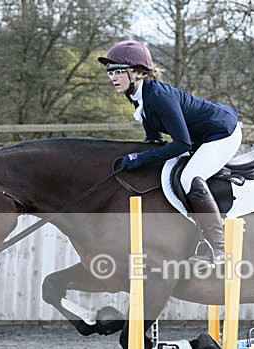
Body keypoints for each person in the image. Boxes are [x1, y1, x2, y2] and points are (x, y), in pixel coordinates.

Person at [99, 40, 241, 268]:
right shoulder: (136, 94)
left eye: (118, 72)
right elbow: (154, 138)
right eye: (110, 73)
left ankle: (219, 247)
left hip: (222, 133)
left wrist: (140, 158)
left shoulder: (158, 97)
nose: (113, 78)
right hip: (200, 137)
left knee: (189, 178)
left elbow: (182, 144)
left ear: (137, 72)